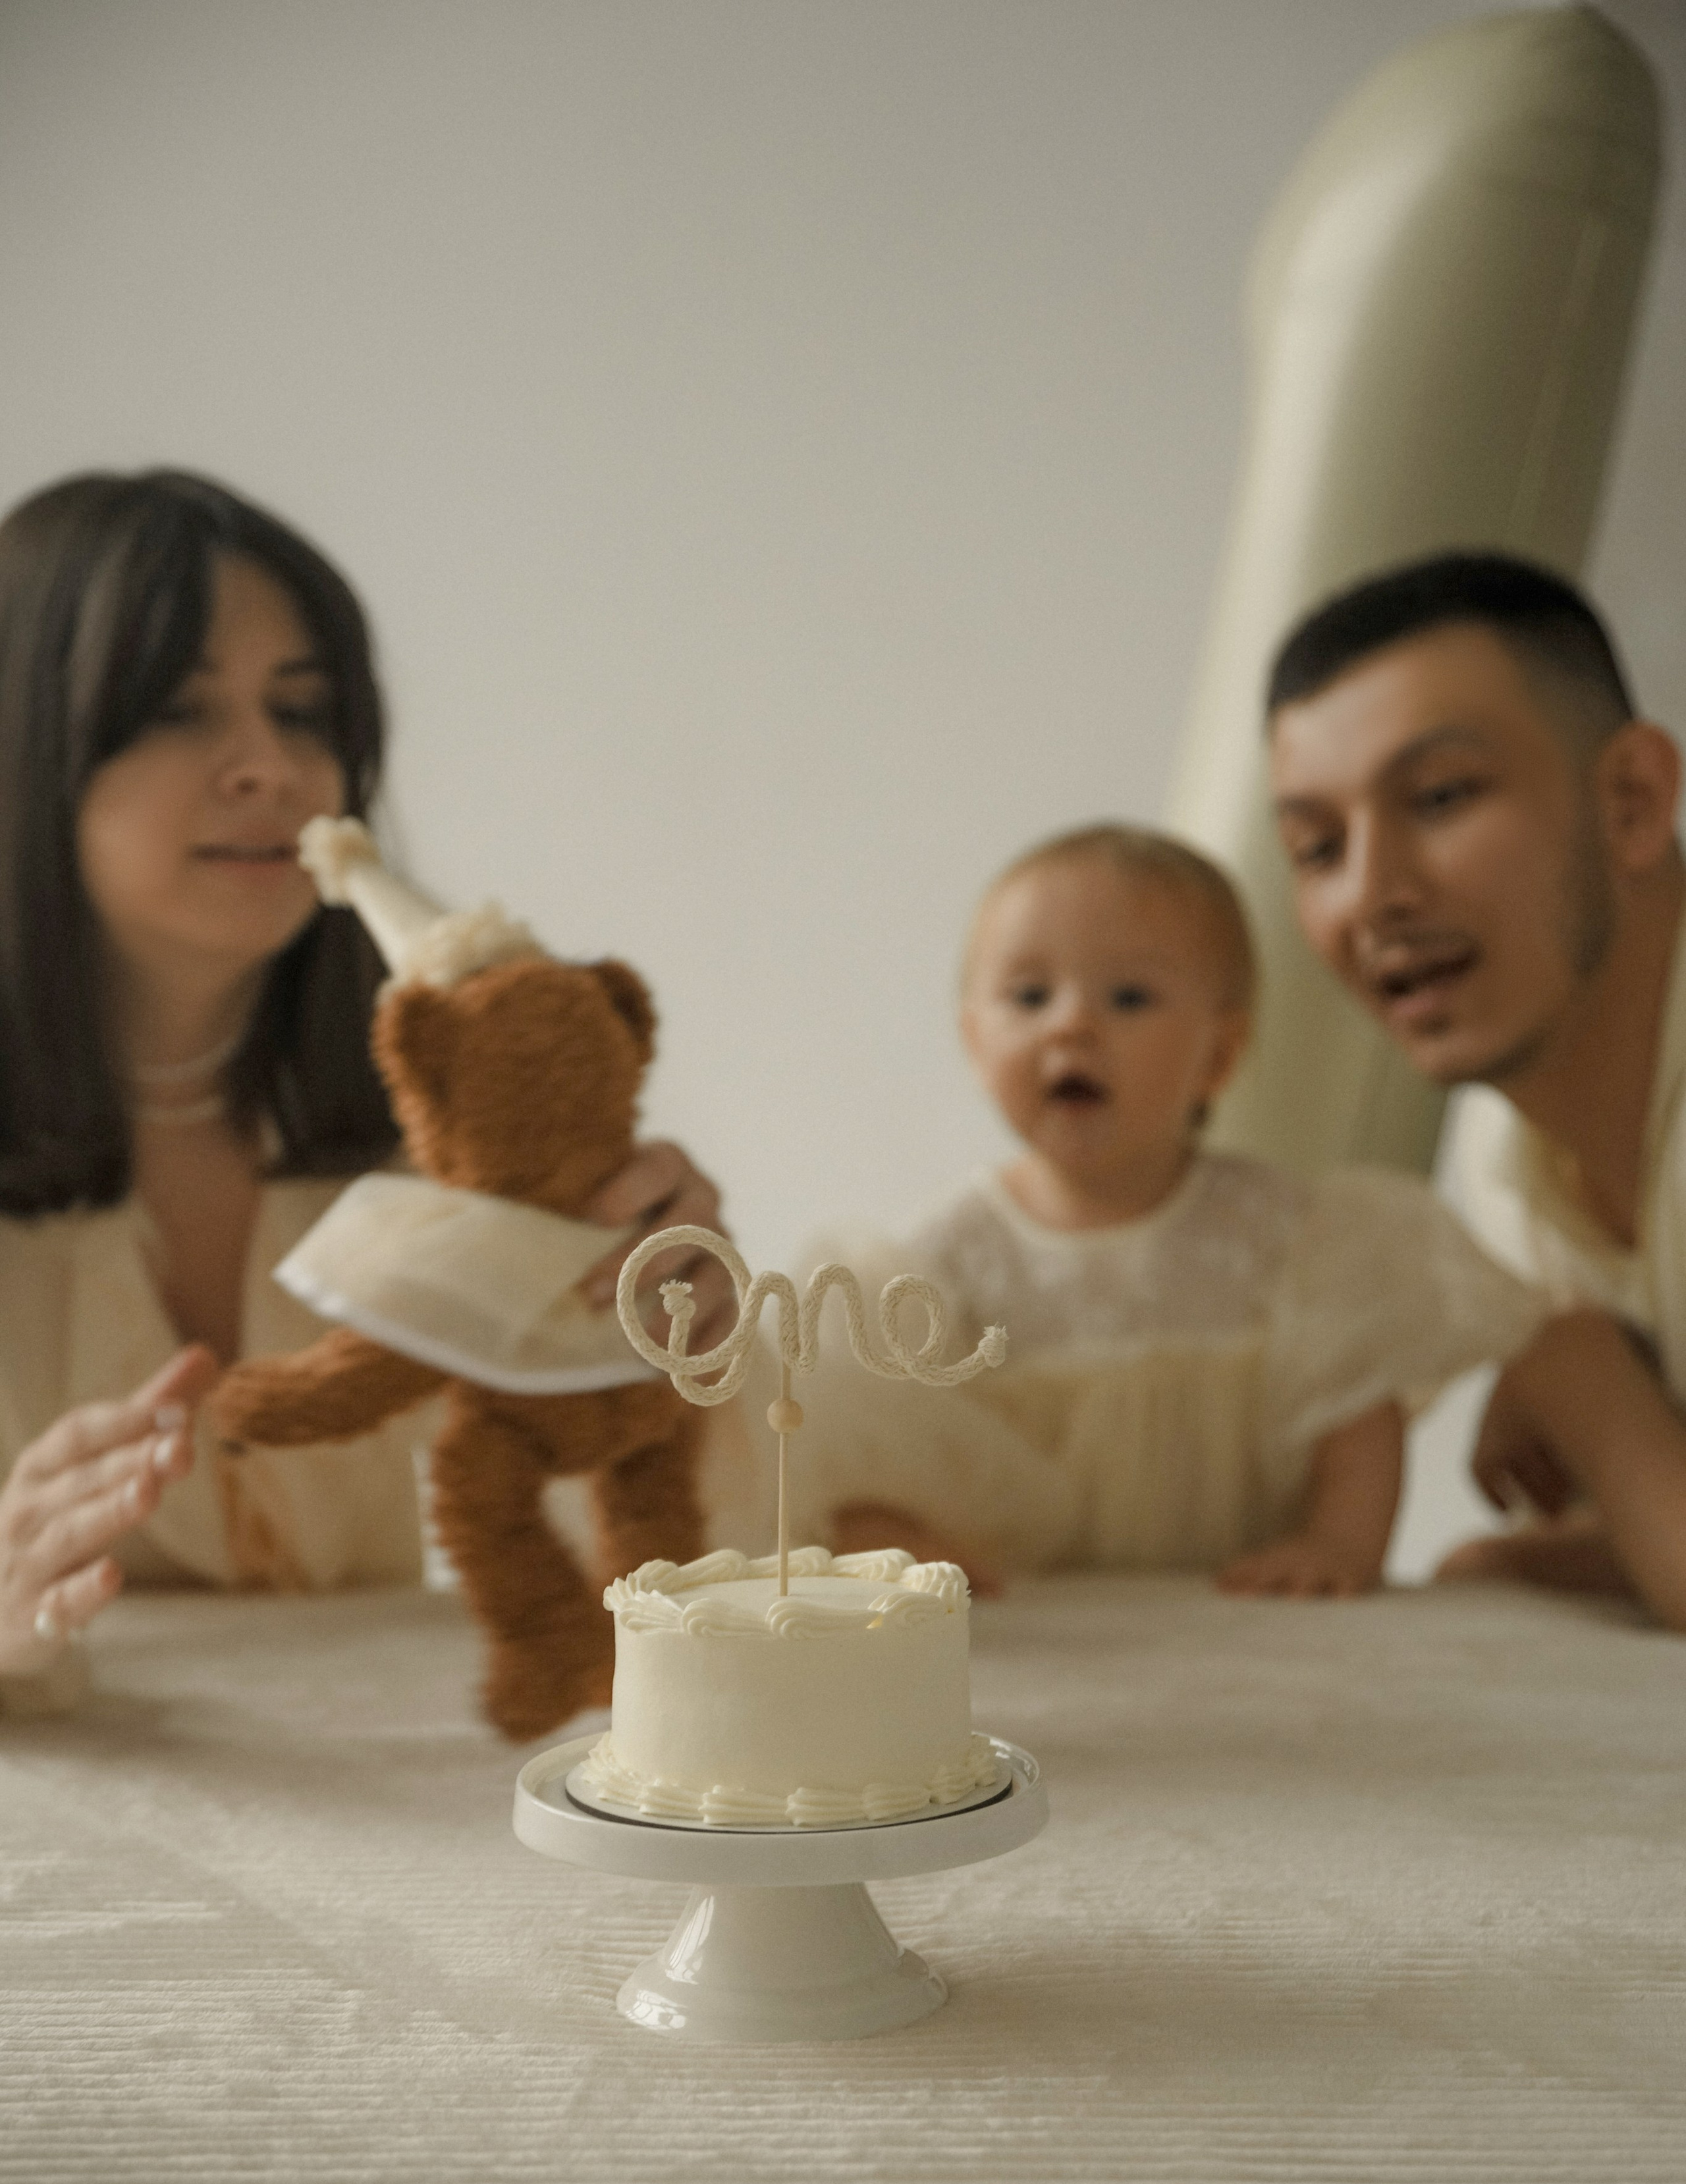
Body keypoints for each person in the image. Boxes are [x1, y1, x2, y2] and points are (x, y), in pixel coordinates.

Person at [0, 468, 733, 1697]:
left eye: (304, 712)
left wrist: (677, 1352)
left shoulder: (449, 1133)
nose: (271, 769)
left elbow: (620, 1562)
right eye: (178, 710)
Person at [798, 822, 1538, 1593]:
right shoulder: (946, 1260)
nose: (1071, 1024)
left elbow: (1355, 1415)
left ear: (1217, 1054)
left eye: (1128, 997)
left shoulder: (1284, 1232)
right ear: (976, 1044)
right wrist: (901, 1541)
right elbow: (878, 1454)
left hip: (1239, 1607)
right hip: (1045, 1618)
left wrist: (1337, 1543)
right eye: (1029, 996)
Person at [1266, 551, 1686, 1621]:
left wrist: (1576, 1369)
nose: (1374, 894)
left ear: (1633, 801)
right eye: (1318, 847)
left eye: (1442, 797)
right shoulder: (1500, 1158)